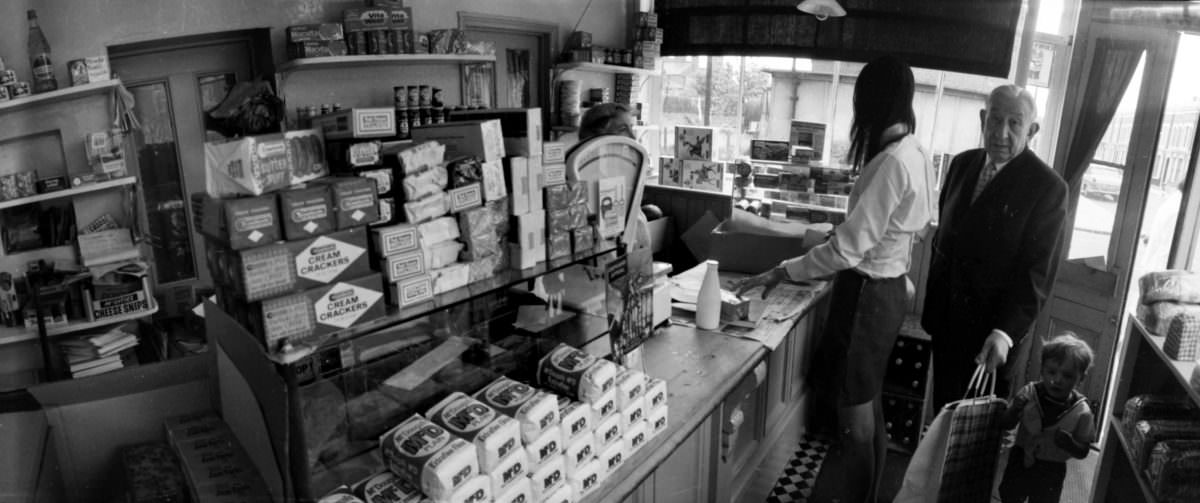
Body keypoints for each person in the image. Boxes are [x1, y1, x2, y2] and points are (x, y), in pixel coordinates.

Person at [734, 55, 935, 503]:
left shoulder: (890, 164)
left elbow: (848, 250)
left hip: (865, 297)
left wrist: (782, 270)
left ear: (870, 102)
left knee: (854, 423)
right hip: (887, 292)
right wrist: (881, 250)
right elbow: (920, 225)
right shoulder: (917, 152)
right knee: (870, 408)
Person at [921, 84, 1069, 410]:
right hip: (947, 321)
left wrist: (1005, 332)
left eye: (1014, 123)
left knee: (980, 431)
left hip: (994, 335)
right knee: (945, 412)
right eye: (995, 120)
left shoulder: (1048, 187)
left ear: (1032, 130)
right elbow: (944, 240)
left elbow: (1038, 273)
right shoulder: (961, 165)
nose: (1001, 132)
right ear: (982, 118)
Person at [998, 332, 1095, 503]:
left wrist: (1070, 443)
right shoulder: (1029, 393)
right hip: (1019, 459)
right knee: (1009, 496)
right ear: (1042, 369)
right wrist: (1014, 410)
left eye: (1067, 376)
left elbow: (1083, 451)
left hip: (1052, 469)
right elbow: (1005, 424)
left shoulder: (1082, 411)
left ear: (1081, 378)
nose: (1057, 380)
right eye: (1051, 372)